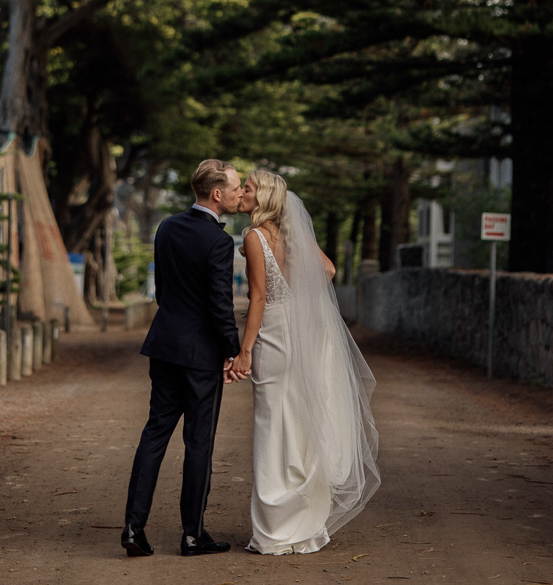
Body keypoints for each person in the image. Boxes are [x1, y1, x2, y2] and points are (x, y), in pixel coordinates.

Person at [230, 170, 381, 555]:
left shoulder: (254, 236)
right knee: (301, 422)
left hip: (277, 334)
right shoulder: (292, 235)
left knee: (271, 424)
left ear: (262, 196)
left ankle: (274, 529)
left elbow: (259, 299)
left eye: (247, 188)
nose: (242, 193)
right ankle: (305, 523)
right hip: (307, 333)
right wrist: (301, 289)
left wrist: (244, 351)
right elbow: (328, 270)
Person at [121, 159, 244, 558]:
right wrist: (233, 350)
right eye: (236, 187)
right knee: (198, 443)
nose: (240, 193)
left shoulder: (167, 227)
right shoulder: (219, 242)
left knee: (154, 434)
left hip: (165, 344)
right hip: (201, 354)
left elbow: (163, 292)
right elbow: (219, 306)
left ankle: (133, 530)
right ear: (217, 194)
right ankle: (193, 535)